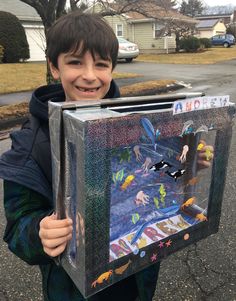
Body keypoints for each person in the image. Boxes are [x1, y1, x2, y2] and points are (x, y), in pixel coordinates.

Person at [0, 12, 160, 301]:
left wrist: (182, 170)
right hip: (73, 290)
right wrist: (40, 232)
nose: (89, 75)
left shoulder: (135, 123)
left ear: (112, 68)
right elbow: (17, 229)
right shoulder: (31, 145)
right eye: (75, 62)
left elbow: (153, 171)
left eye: (101, 64)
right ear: (54, 66)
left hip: (134, 278)